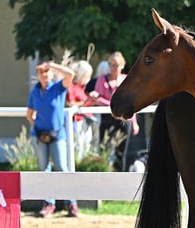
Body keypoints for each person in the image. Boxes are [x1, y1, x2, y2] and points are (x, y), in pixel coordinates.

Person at [26, 60, 80, 217]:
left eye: (46, 71)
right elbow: (29, 114)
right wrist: (36, 125)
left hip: (57, 135)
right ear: (37, 75)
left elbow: (71, 74)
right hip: (40, 135)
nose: (44, 75)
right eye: (41, 72)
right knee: (44, 170)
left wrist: (53, 65)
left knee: (62, 167)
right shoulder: (34, 92)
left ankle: (71, 203)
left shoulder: (58, 88)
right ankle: (49, 203)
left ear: (51, 73)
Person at [88, 52, 139, 171]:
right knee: (104, 148)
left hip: (124, 119)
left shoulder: (126, 79)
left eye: (116, 65)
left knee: (121, 151)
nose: (114, 68)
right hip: (107, 118)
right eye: (111, 65)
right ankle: (104, 171)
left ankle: (120, 172)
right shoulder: (102, 79)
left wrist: (135, 122)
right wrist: (110, 105)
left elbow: (132, 103)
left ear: (122, 66)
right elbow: (98, 99)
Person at [66, 59, 95, 161]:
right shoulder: (71, 87)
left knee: (86, 147)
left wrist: (92, 99)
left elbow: (86, 103)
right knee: (78, 148)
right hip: (77, 121)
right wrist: (87, 100)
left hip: (86, 121)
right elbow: (71, 104)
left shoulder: (82, 88)